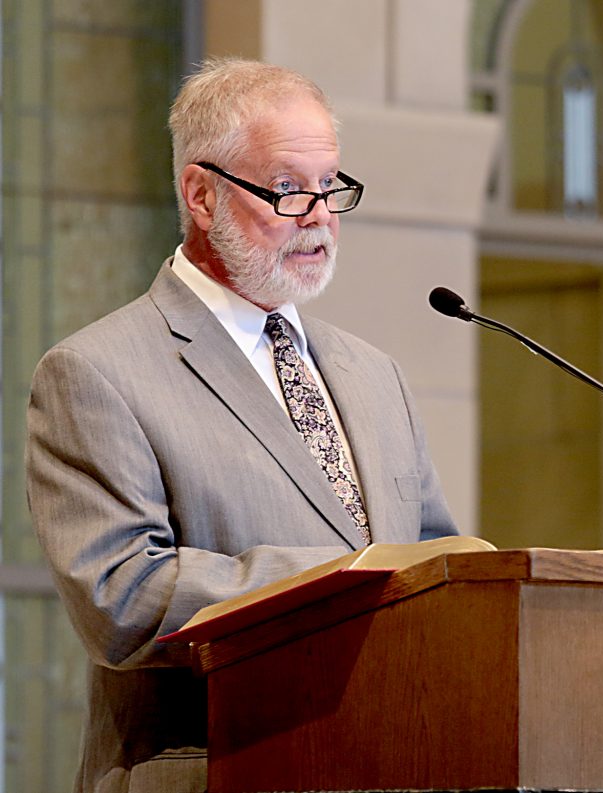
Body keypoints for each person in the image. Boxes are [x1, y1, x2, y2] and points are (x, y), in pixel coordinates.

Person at [25, 57, 457, 793]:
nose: (320, 215)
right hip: (217, 769)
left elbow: (433, 559)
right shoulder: (97, 372)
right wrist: (351, 580)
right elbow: (122, 599)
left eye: (330, 187)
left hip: (387, 767)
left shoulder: (372, 373)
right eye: (289, 189)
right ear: (201, 194)